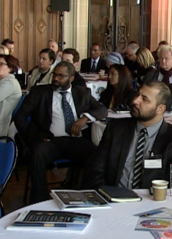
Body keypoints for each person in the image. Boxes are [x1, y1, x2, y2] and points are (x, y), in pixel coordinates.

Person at [14, 61, 107, 204]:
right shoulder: (39, 92)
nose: (56, 79)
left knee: (96, 154)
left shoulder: (82, 93)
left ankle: (88, 197)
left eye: (61, 76)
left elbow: (102, 110)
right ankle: (39, 201)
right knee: (37, 153)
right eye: (55, 75)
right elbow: (20, 116)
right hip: (51, 141)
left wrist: (85, 118)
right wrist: (35, 137)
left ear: (71, 78)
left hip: (76, 141)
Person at [87, 81, 172, 189]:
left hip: (152, 198)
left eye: (144, 99)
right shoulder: (116, 128)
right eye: (137, 95)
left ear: (160, 109)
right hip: (113, 196)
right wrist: (106, 194)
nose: (135, 101)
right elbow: (96, 170)